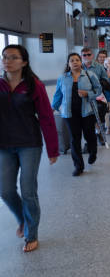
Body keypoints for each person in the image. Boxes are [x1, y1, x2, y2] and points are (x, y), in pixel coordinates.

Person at [0, 45, 59, 253]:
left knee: (28, 190)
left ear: (24, 62)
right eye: (5, 57)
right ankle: (23, 220)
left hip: (29, 144)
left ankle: (31, 234)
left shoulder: (34, 86)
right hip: (4, 145)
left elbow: (46, 117)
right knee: (5, 190)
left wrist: (53, 148)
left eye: (13, 58)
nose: (7, 61)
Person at [52, 53, 102, 176]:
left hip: (87, 112)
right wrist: (52, 108)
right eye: (72, 60)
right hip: (70, 113)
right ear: (68, 64)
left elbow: (99, 90)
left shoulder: (89, 75)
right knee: (75, 139)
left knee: (89, 136)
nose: (74, 62)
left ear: (81, 62)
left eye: (77, 60)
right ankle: (78, 166)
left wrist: (88, 94)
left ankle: (92, 152)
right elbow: (58, 95)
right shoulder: (63, 78)